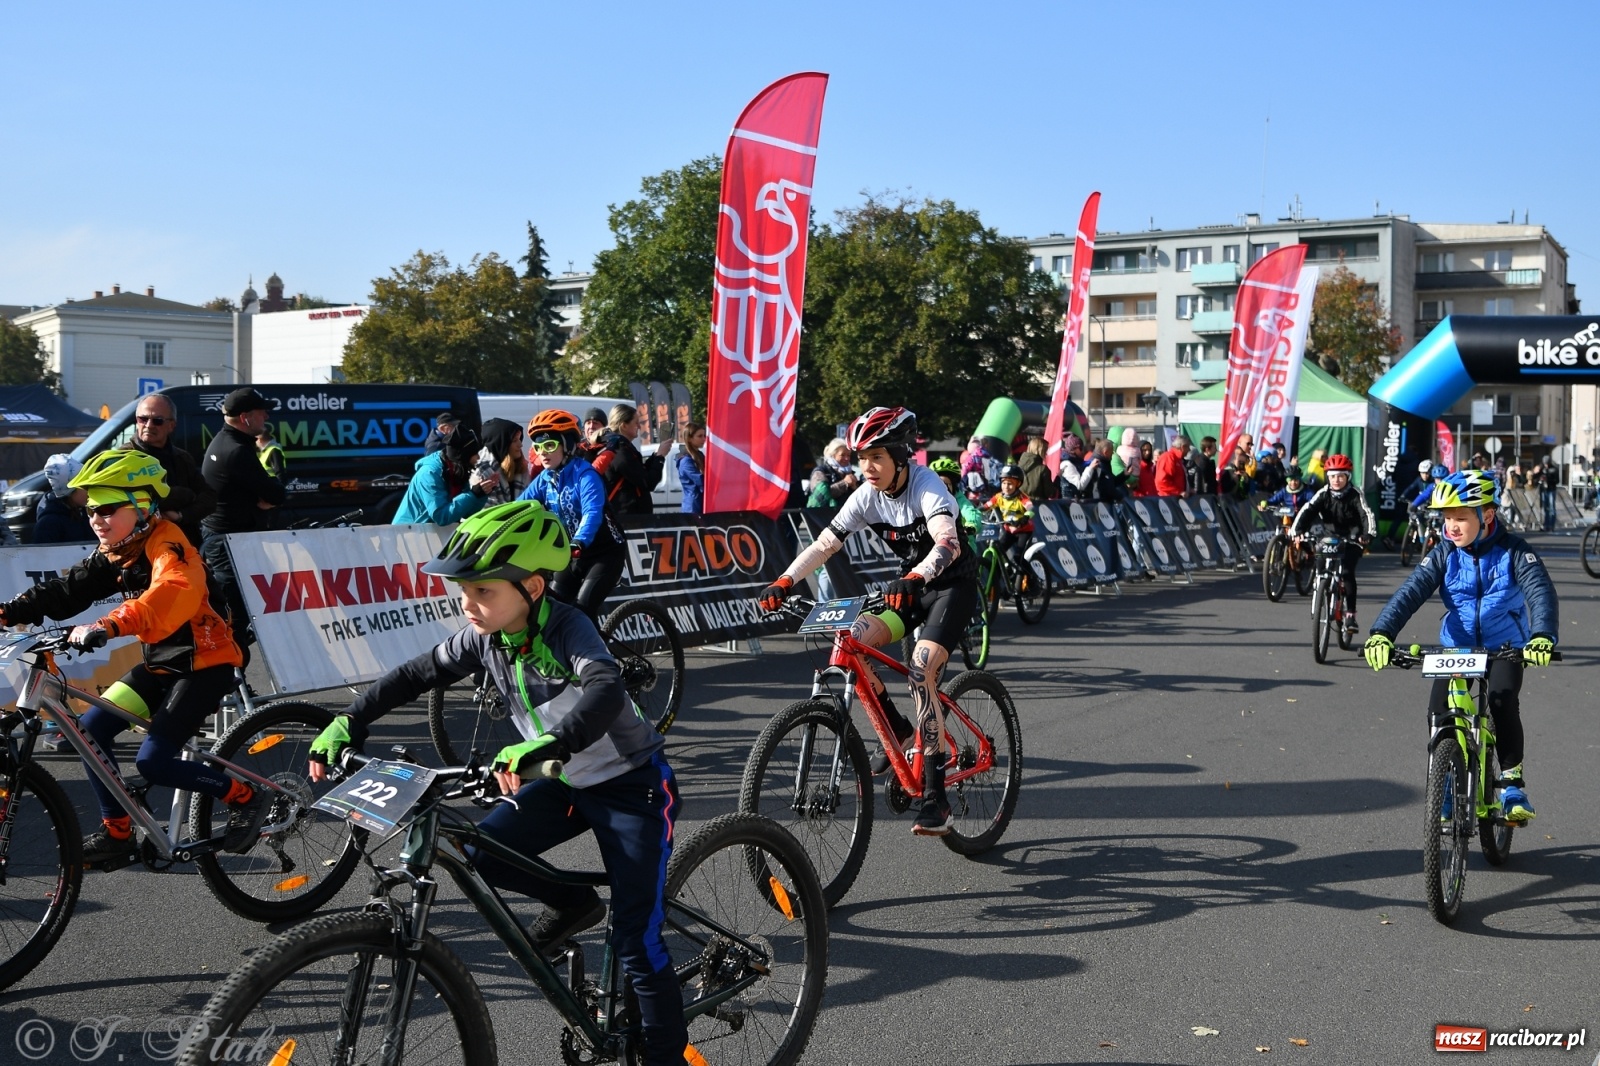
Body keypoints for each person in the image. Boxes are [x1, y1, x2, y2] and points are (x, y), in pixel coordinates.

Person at [306, 501, 687, 1065]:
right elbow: (417, 672)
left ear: (532, 586)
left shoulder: (567, 626)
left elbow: (605, 688)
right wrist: (352, 717)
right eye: (465, 590)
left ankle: (666, 1057)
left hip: (633, 785)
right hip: (563, 782)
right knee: (482, 853)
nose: (469, 604)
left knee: (637, 941)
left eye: (484, 591)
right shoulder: (484, 637)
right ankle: (575, 903)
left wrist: (552, 743)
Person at [0, 451, 263, 866]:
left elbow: (170, 592)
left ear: (142, 506)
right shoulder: (119, 549)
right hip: (162, 664)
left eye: (106, 509)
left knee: (154, 761)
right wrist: (9, 611)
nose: (96, 520)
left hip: (208, 664)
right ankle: (117, 832)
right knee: (89, 733)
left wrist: (109, 624)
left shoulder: (170, 544)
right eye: (90, 510)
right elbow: (68, 590)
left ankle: (246, 797)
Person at [757, 406, 978, 837]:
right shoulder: (866, 495)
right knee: (853, 641)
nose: (867, 467)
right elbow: (825, 545)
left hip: (951, 586)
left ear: (900, 455)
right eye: (861, 458)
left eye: (876, 457)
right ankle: (897, 728)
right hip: (907, 588)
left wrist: (915, 576)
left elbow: (948, 545)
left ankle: (936, 797)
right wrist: (785, 580)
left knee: (920, 669)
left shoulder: (927, 485)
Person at [1363, 470, 1558, 824]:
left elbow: (1540, 592)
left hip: (1506, 646)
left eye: (1460, 517)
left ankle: (1512, 784)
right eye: (1446, 517)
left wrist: (1541, 636)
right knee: (1441, 710)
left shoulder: (1515, 551)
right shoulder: (1443, 553)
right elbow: (1410, 592)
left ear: (1487, 515)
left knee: (1501, 701)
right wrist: (1382, 633)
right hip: (1458, 647)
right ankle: (1448, 781)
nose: (1451, 526)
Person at [519, 410, 627, 624]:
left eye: (549, 445)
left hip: (604, 554)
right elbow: (518, 507)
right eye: (538, 447)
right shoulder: (545, 479)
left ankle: (597, 656)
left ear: (567, 445)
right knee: (550, 610)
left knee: (581, 612)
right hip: (571, 555)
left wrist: (579, 540)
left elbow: (592, 512)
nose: (542, 453)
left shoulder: (585, 475)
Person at [200, 387, 286, 649]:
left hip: (228, 540)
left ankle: (233, 684)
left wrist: (266, 496)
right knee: (233, 620)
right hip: (228, 545)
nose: (267, 417)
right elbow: (276, 493)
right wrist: (267, 497)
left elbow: (270, 494)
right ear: (246, 417)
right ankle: (232, 686)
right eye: (262, 413)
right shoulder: (236, 450)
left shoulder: (229, 442)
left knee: (236, 618)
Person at [1289, 453, 1376, 636]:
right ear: (1328, 477)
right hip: (1330, 536)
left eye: (1341, 476)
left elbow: (1366, 515)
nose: (1336, 480)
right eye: (1332, 476)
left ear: (1348, 477)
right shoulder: (1323, 494)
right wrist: (1296, 530)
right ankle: (1320, 590)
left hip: (1353, 537)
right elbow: (1308, 511)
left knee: (1346, 572)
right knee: (1320, 566)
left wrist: (1368, 534)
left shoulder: (1355, 494)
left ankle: (1350, 615)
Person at [123, 391, 216, 547]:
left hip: (184, 544)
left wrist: (181, 515)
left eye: (157, 421)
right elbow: (135, 501)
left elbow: (209, 498)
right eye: (143, 419)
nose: (148, 425)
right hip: (141, 546)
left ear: (171, 425)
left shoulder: (182, 458)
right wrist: (184, 495)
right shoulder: (123, 458)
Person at [393, 425, 495, 525]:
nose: (478, 458)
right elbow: (441, 516)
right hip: (409, 534)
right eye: (474, 454)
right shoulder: (429, 474)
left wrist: (480, 494)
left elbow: (466, 513)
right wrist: (472, 495)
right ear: (461, 458)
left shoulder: (456, 470)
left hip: (433, 534)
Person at [591, 403, 670, 516]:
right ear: (624, 426)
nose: (639, 426)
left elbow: (639, 472)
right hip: (626, 518)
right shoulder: (619, 449)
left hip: (622, 515)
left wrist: (656, 455)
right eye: (636, 423)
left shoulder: (613, 445)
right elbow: (647, 482)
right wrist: (660, 457)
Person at [983, 464, 1034, 569]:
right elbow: (986, 506)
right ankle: (998, 581)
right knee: (996, 554)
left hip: (1023, 531)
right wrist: (975, 512)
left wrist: (1024, 518)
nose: (1006, 487)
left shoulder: (1021, 497)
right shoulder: (998, 497)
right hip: (1009, 531)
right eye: (1004, 483)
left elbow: (1031, 508)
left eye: (1010, 484)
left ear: (1018, 484)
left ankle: (1030, 579)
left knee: (1018, 557)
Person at [34, 453, 92, 544]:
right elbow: (42, 556)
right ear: (69, 492)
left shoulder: (89, 513)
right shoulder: (49, 524)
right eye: (84, 486)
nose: (90, 489)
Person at [476, 418, 530, 506]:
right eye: (515, 440)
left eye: (520, 439)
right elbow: (487, 511)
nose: (520, 444)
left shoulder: (521, 469)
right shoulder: (482, 473)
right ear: (501, 445)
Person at [929, 457, 984, 536]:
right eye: (938, 484)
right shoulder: (928, 500)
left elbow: (970, 511)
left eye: (945, 484)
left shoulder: (959, 500)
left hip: (960, 543)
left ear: (953, 485)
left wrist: (971, 525)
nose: (942, 488)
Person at [807, 438, 860, 508]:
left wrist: (855, 487)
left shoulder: (850, 473)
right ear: (833, 455)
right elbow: (821, 497)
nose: (847, 458)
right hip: (826, 516)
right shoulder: (820, 473)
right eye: (842, 455)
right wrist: (844, 483)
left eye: (848, 455)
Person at [676, 421, 706, 514]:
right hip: (693, 507)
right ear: (689, 438)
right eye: (699, 436)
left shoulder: (700, 455)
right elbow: (701, 480)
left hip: (701, 503)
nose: (704, 439)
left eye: (704, 436)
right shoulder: (686, 460)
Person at [1018, 436, 1056, 502]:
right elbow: (1049, 493)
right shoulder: (1043, 469)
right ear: (1042, 451)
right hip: (1037, 506)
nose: (1046, 453)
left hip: (1019, 505)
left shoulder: (1018, 465)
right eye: (1046, 450)